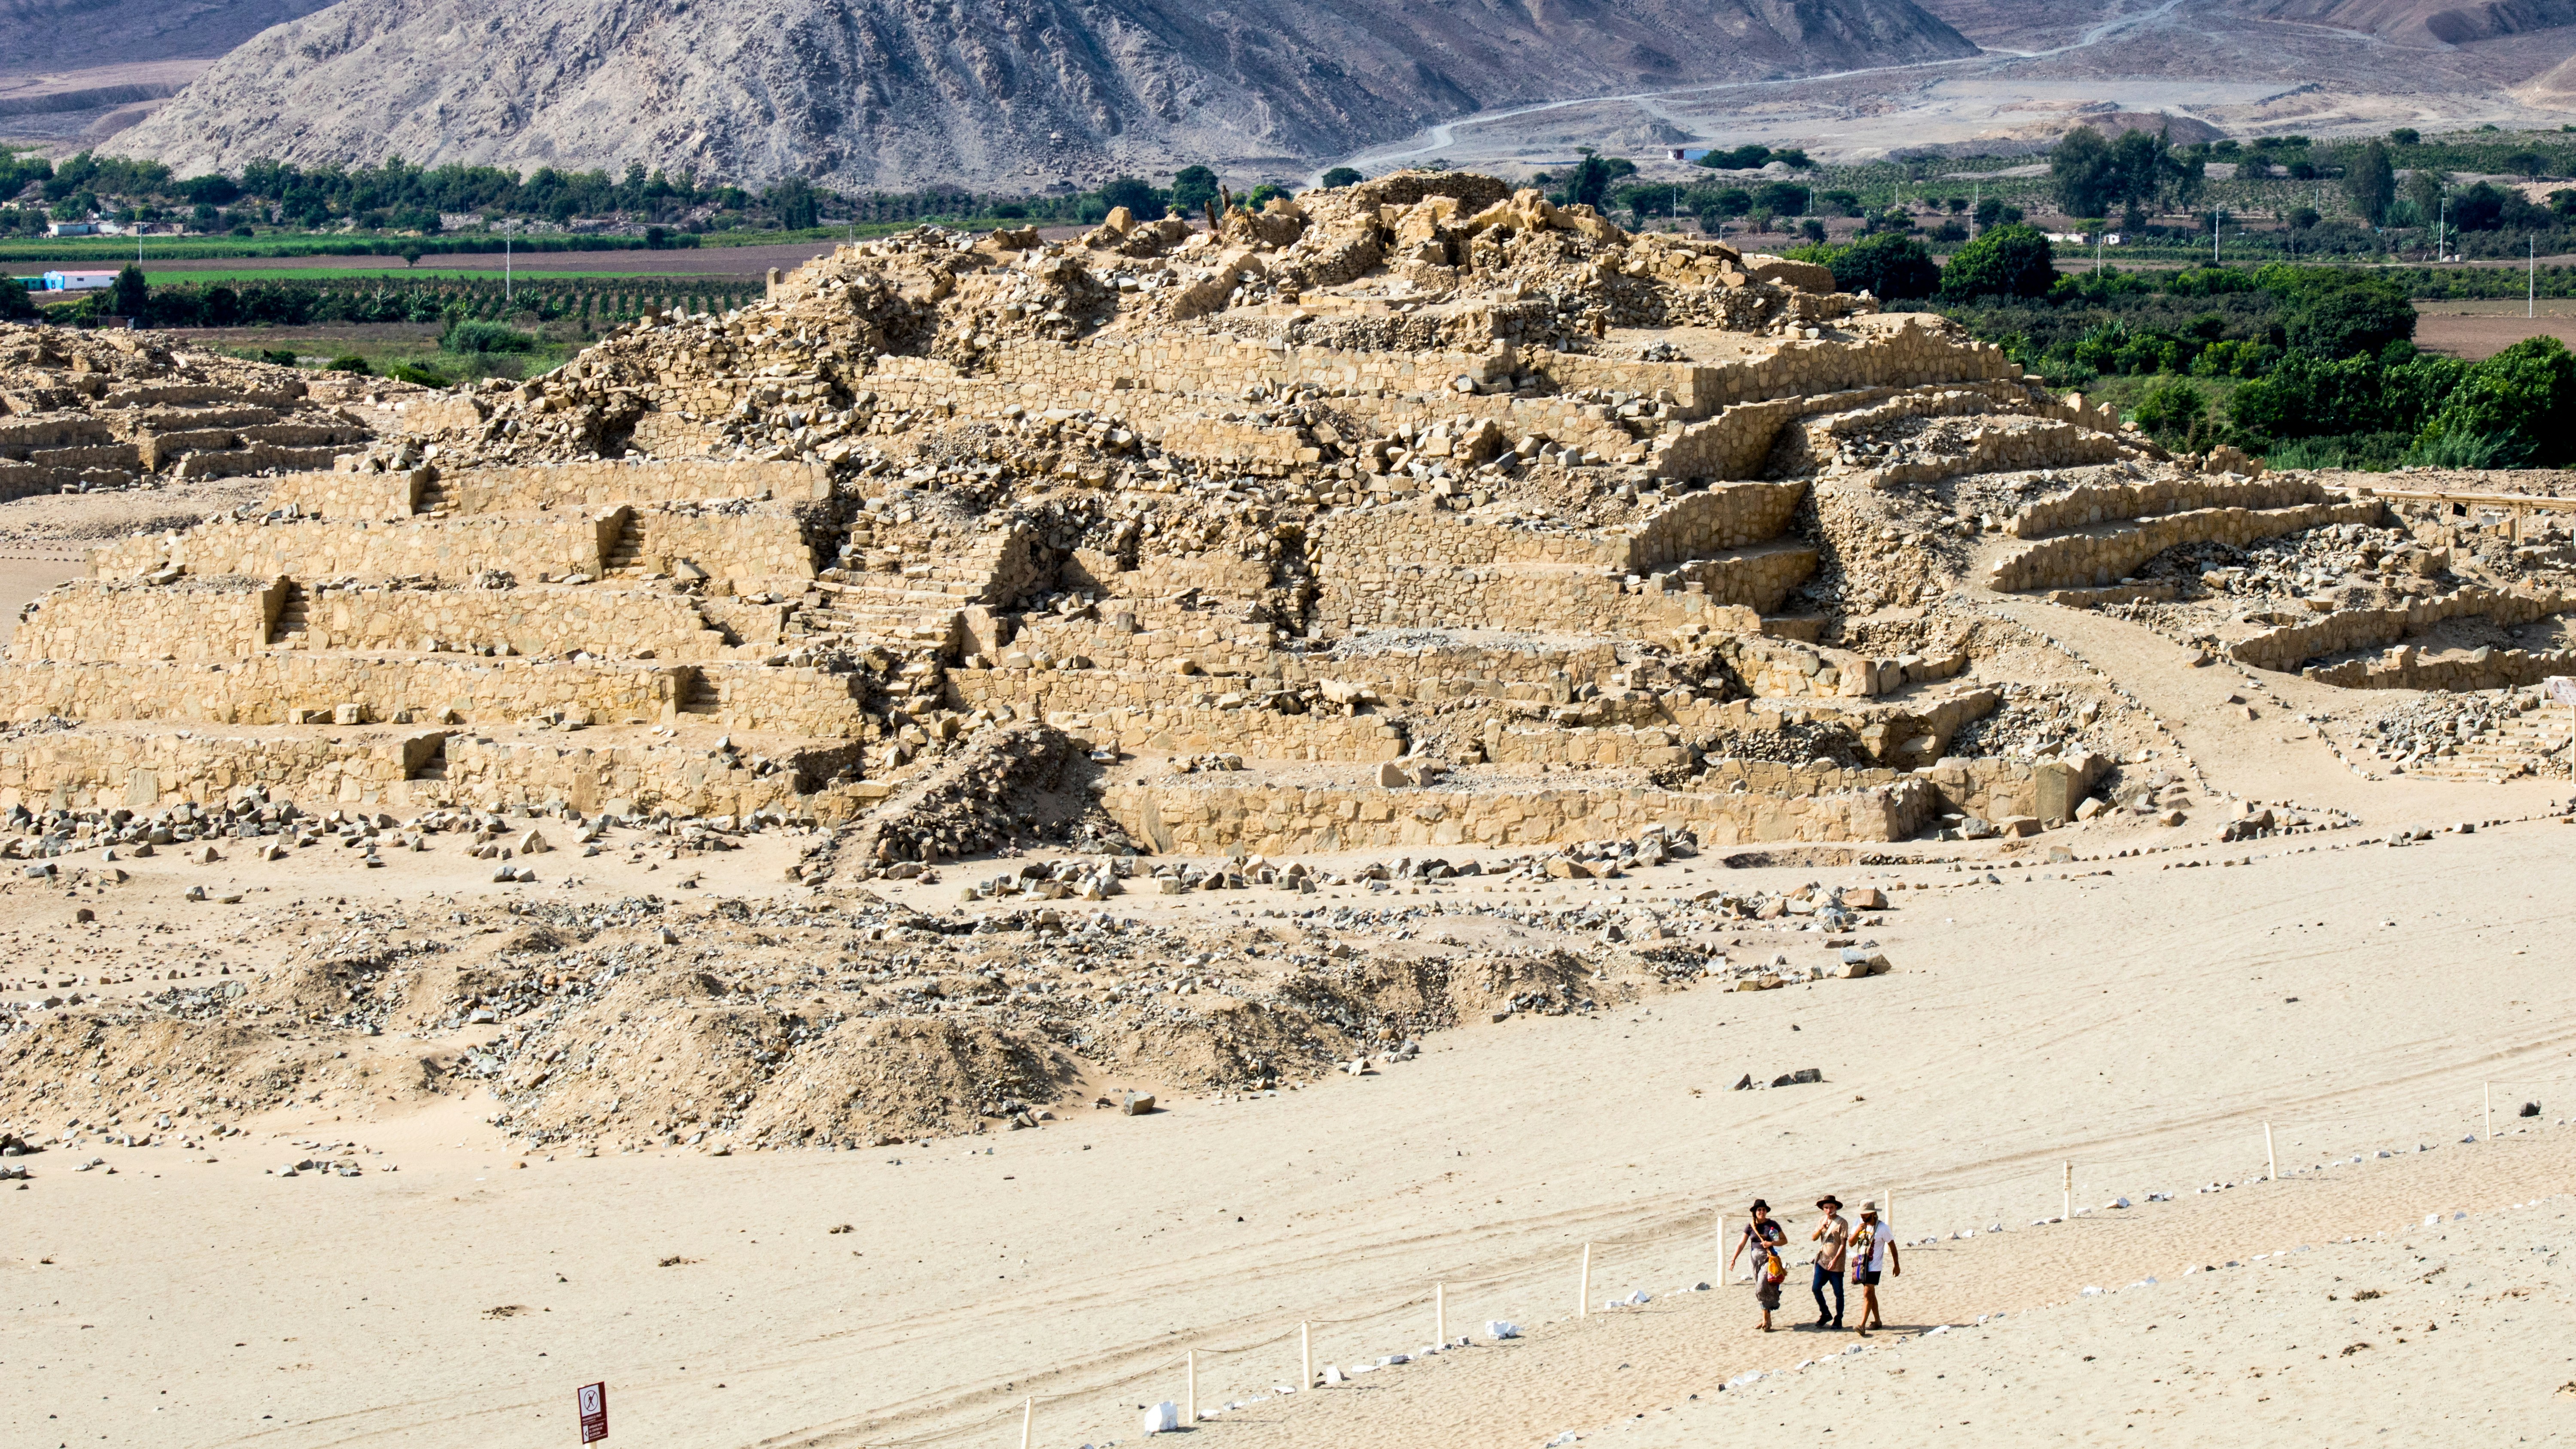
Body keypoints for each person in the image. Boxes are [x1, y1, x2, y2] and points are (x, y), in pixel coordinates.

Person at [1725, 1198, 1789, 1331]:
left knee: (1761, 1287)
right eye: (1759, 1210)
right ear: (1755, 1212)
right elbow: (1741, 1244)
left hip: (1769, 1259)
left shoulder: (1772, 1225)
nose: (1762, 1212)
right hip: (1754, 1260)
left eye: (1764, 1210)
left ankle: (1766, 1320)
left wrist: (1771, 1243)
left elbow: (1783, 1241)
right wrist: (1733, 1259)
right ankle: (1766, 1318)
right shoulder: (1750, 1226)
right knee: (1761, 1287)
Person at [1851, 1200, 1900, 1335]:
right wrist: (1857, 1232)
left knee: (1867, 1293)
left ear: (1873, 1214)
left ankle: (1862, 1325)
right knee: (1871, 1294)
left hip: (1875, 1266)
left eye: (1866, 1215)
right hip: (1861, 1265)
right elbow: (1851, 1243)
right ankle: (1878, 1321)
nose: (1863, 1217)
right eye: (1862, 1214)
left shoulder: (1883, 1228)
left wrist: (1896, 1265)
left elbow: (1892, 1246)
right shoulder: (1858, 1224)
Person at [1809, 1194, 1850, 1329]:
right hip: (1822, 1261)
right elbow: (1814, 1238)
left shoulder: (1842, 1222)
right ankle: (1825, 1313)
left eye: (1831, 1207)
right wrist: (1822, 1228)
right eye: (1826, 1208)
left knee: (1838, 1292)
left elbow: (1843, 1244)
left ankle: (1839, 1319)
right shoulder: (1822, 1220)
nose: (1829, 1210)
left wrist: (1836, 1259)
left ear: (1836, 1207)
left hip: (1836, 1264)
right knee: (1816, 1288)